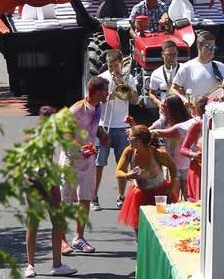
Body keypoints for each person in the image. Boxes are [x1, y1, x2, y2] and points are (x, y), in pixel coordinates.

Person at [25, 106, 78, 279]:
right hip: (38, 182)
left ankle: (50, 265)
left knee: (52, 223)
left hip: (41, 180)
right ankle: (35, 265)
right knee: (41, 223)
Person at [60, 76, 110, 253]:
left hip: (88, 160)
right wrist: (80, 147)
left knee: (85, 199)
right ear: (96, 92)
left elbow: (94, 127)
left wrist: (102, 134)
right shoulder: (76, 109)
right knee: (65, 202)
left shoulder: (99, 107)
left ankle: (79, 238)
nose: (108, 94)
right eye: (105, 90)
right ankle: (61, 239)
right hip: (71, 160)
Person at [92, 50, 138, 212]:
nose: (113, 69)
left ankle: (121, 197)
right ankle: (94, 197)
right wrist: (105, 98)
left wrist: (120, 83)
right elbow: (92, 102)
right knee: (99, 163)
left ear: (121, 63)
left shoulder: (128, 78)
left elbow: (135, 99)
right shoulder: (101, 79)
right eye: (110, 66)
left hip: (122, 127)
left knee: (122, 164)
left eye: (115, 66)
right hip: (105, 126)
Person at [116, 125, 177, 231]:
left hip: (159, 193)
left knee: (161, 224)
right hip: (139, 195)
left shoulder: (158, 153)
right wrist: (127, 175)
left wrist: (171, 187)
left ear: (138, 141)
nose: (127, 140)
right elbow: (118, 172)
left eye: (130, 138)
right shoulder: (129, 151)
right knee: (139, 227)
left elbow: (173, 167)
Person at [150, 95, 192, 199]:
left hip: (189, 165)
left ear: (174, 108)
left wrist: (153, 133)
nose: (161, 108)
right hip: (173, 166)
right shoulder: (163, 122)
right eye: (162, 105)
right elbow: (147, 131)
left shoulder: (187, 122)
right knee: (174, 196)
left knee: (189, 197)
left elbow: (169, 133)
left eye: (165, 106)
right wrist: (134, 127)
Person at [171, 30, 224, 101]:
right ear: (199, 47)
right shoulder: (186, 67)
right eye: (209, 47)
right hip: (194, 110)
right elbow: (173, 88)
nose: (212, 50)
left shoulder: (220, 66)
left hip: (216, 110)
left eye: (213, 47)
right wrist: (184, 99)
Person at [179, 95, 208, 202]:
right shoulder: (196, 125)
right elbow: (183, 149)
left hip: (214, 166)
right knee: (198, 201)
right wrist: (194, 155)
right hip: (198, 168)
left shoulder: (220, 123)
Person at [149, 40, 180, 110]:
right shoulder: (156, 73)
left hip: (182, 110)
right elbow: (152, 94)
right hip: (166, 110)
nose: (171, 58)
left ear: (177, 53)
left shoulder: (184, 69)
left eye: (174, 54)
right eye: (168, 55)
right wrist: (159, 103)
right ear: (162, 54)